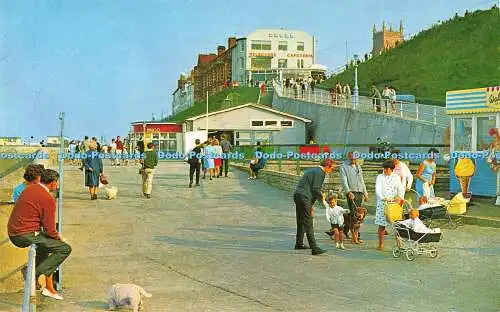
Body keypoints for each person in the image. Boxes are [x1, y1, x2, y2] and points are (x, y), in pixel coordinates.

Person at [8, 169, 72, 300]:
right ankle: (33, 274)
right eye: (56, 182)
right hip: (24, 234)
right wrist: (60, 238)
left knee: (44, 246)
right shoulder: (47, 198)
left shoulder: (30, 188)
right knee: (64, 249)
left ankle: (48, 287)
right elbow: (50, 229)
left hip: (15, 231)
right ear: (53, 183)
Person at [294, 158, 335, 255]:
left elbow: (312, 189)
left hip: (298, 195)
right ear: (327, 166)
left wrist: (310, 205)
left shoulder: (314, 170)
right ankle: (314, 248)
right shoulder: (321, 172)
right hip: (304, 196)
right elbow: (316, 190)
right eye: (331, 168)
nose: (331, 170)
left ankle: (299, 243)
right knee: (308, 222)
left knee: (301, 220)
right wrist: (324, 200)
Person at [375, 160, 404, 251]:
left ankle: (399, 243)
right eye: (384, 169)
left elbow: (400, 188)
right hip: (383, 203)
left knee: (396, 224)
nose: (385, 170)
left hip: (393, 203)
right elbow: (378, 189)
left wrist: (399, 197)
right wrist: (382, 197)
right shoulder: (380, 177)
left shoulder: (396, 177)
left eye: (387, 169)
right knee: (381, 225)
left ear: (391, 169)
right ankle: (381, 244)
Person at [339, 151, 368, 242]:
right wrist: (348, 192)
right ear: (348, 157)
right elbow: (344, 180)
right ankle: (356, 235)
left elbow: (361, 180)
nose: (353, 160)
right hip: (352, 192)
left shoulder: (358, 167)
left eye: (355, 159)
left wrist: (365, 192)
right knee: (353, 213)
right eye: (352, 159)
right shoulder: (343, 166)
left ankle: (345, 231)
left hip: (359, 192)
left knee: (358, 213)